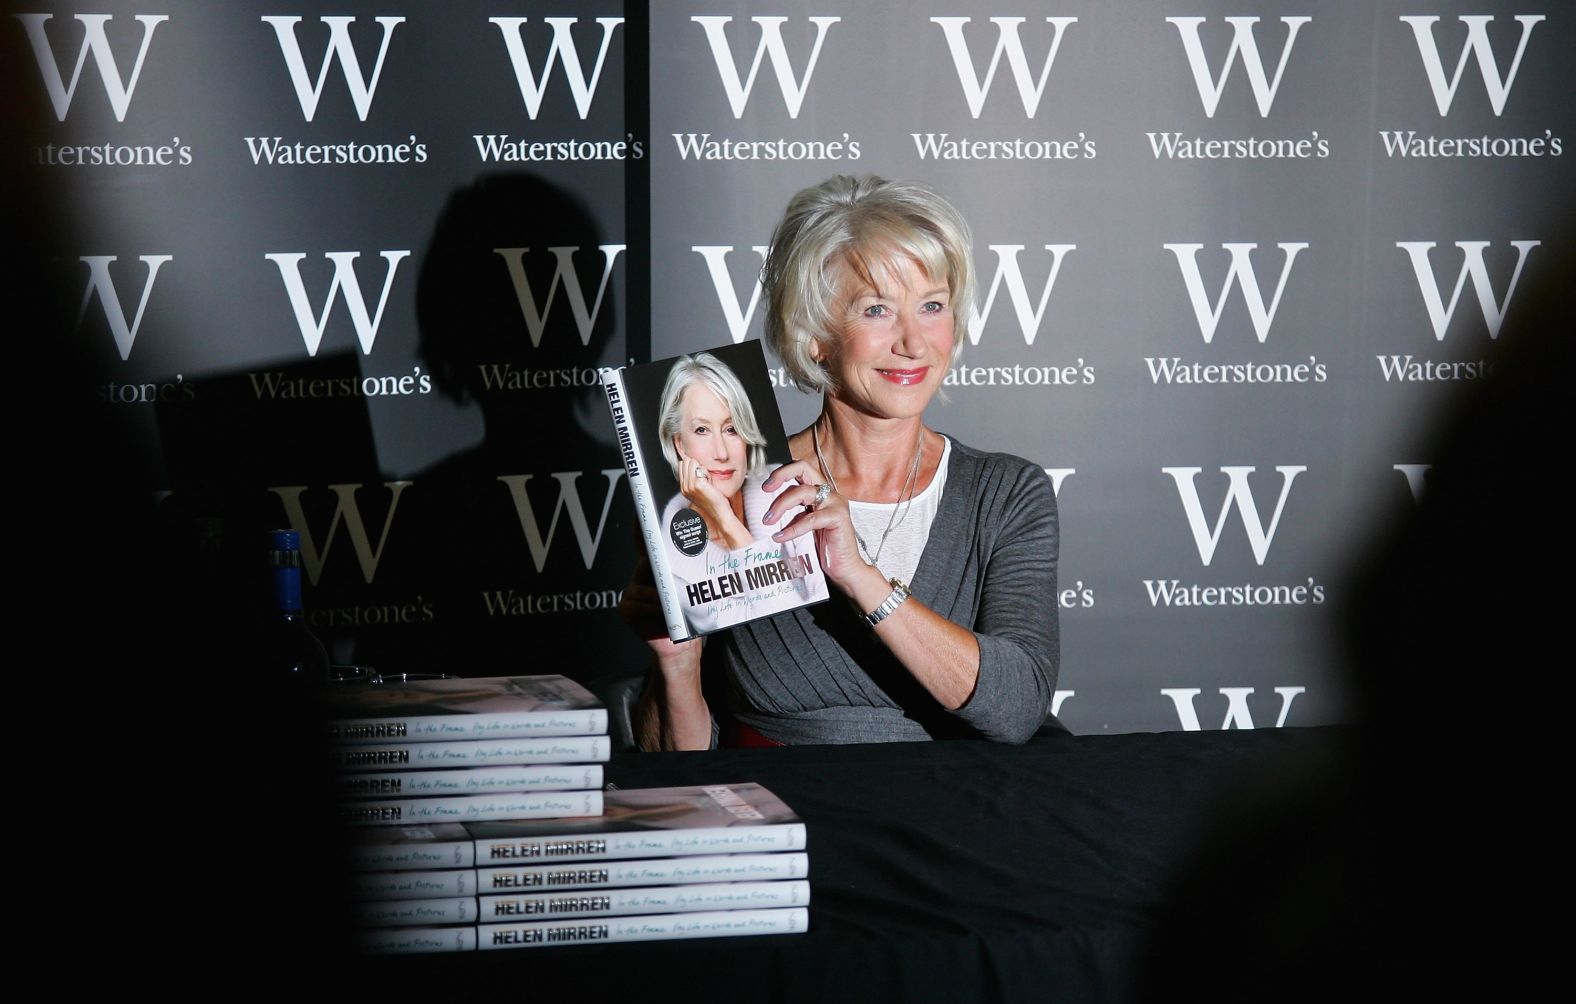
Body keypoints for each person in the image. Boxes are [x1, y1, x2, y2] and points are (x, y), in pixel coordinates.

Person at [626, 175, 1060, 749]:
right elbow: (679, 776)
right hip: (792, 823)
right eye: (876, 310)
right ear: (815, 338)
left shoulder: (1005, 492)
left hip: (960, 820)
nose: (914, 341)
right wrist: (676, 663)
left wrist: (859, 577)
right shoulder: (737, 491)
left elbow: (1017, 710)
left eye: (932, 306)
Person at [654, 352, 825, 633]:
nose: (721, 453)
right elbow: (773, 630)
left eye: (731, 429)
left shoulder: (783, 489)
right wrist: (724, 516)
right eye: (701, 430)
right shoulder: (675, 558)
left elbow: (826, 609)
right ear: (680, 445)